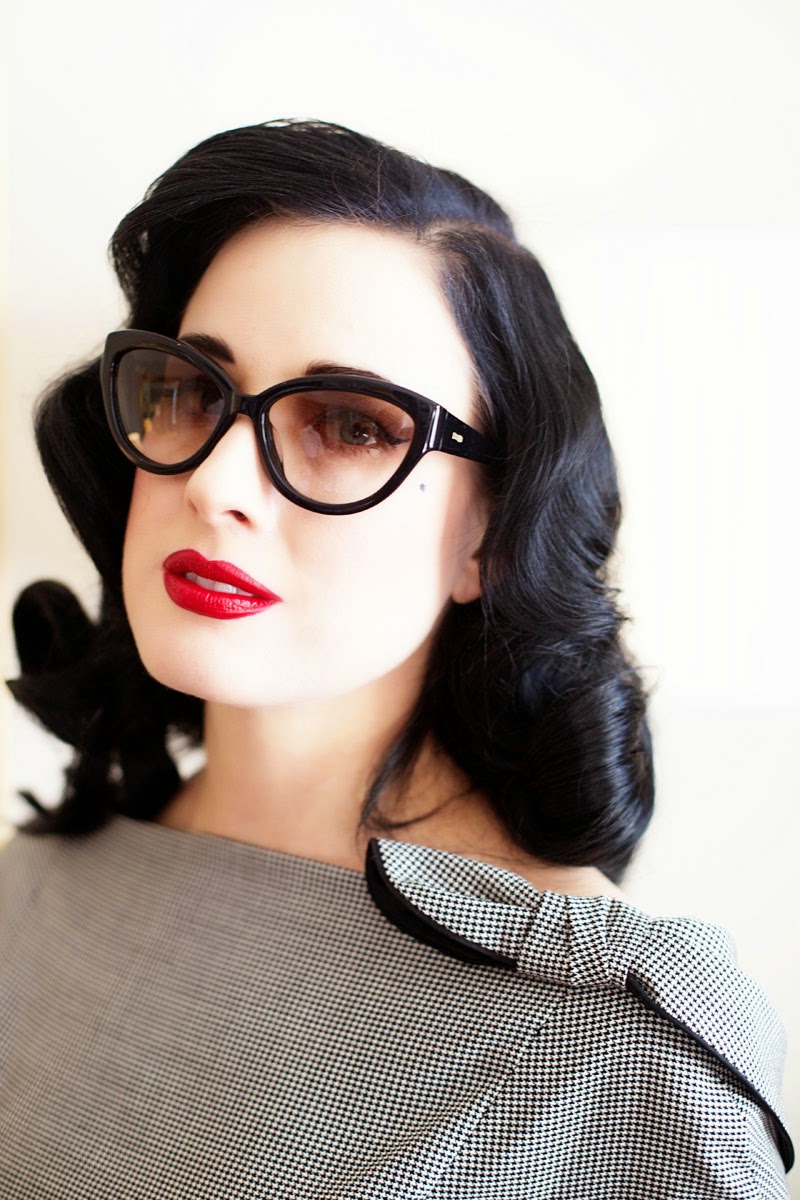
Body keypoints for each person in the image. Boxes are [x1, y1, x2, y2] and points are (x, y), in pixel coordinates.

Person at [0, 120, 792, 1199]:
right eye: (193, 390)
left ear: (489, 534)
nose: (214, 484)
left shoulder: (618, 1052)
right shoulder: (33, 889)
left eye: (351, 425)